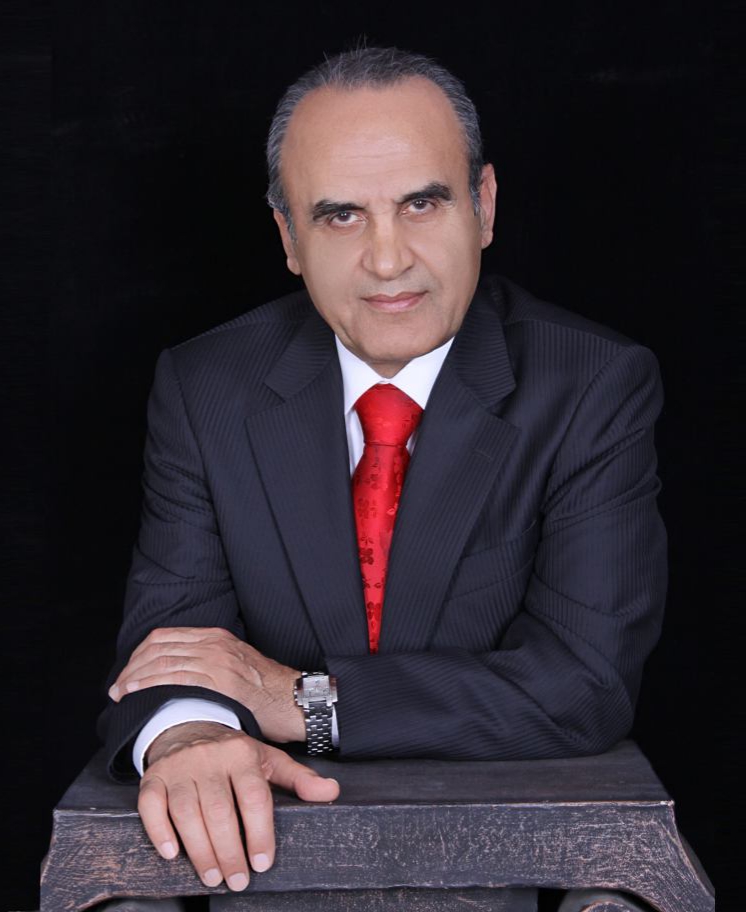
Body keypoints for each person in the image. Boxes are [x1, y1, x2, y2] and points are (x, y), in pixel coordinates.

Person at [99, 46, 667, 899]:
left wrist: (303, 699)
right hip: (264, 874)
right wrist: (189, 734)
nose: (389, 258)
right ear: (288, 238)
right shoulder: (204, 388)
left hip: (497, 872)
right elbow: (174, 648)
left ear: (483, 206)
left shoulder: (592, 386)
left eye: (422, 204)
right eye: (340, 216)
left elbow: (584, 682)